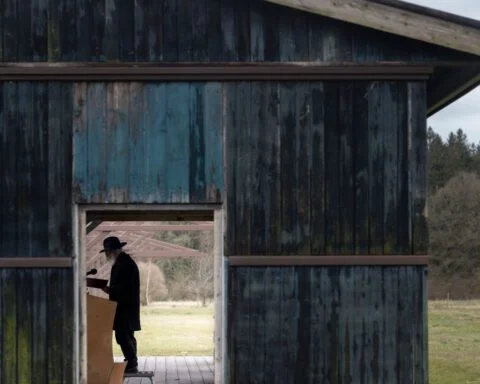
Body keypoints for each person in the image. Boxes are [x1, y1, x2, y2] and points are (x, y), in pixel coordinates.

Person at [100, 236, 141, 373]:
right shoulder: (122, 263)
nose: (106, 255)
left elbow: (124, 287)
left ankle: (131, 363)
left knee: (122, 336)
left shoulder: (124, 264)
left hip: (125, 307)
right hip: (125, 307)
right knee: (127, 335)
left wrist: (109, 289)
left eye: (108, 252)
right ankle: (131, 361)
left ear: (115, 251)